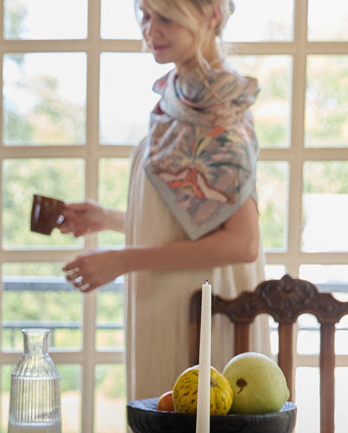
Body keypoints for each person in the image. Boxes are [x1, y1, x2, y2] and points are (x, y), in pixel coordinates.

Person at [61, 0, 268, 406]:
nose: (150, 30)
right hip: (164, 302)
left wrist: (123, 260)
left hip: (201, 314)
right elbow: (192, 217)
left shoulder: (220, 110)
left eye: (167, 19)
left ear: (209, 17)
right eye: (145, 15)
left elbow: (242, 243)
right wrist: (106, 218)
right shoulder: (179, 99)